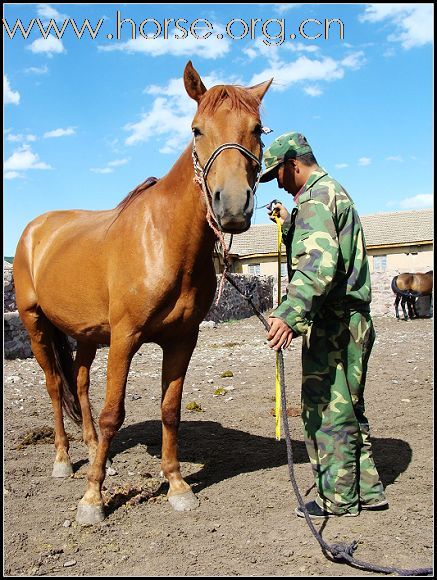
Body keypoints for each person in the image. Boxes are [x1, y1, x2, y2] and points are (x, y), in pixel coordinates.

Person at [260, 131, 387, 519]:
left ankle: (338, 500)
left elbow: (317, 267)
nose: (277, 183)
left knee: (325, 413)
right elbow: (327, 250)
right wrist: (288, 225)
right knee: (348, 407)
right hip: (354, 322)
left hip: (333, 325)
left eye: (277, 175)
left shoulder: (315, 200)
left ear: (292, 164)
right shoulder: (332, 192)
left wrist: (289, 314)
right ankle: (367, 489)